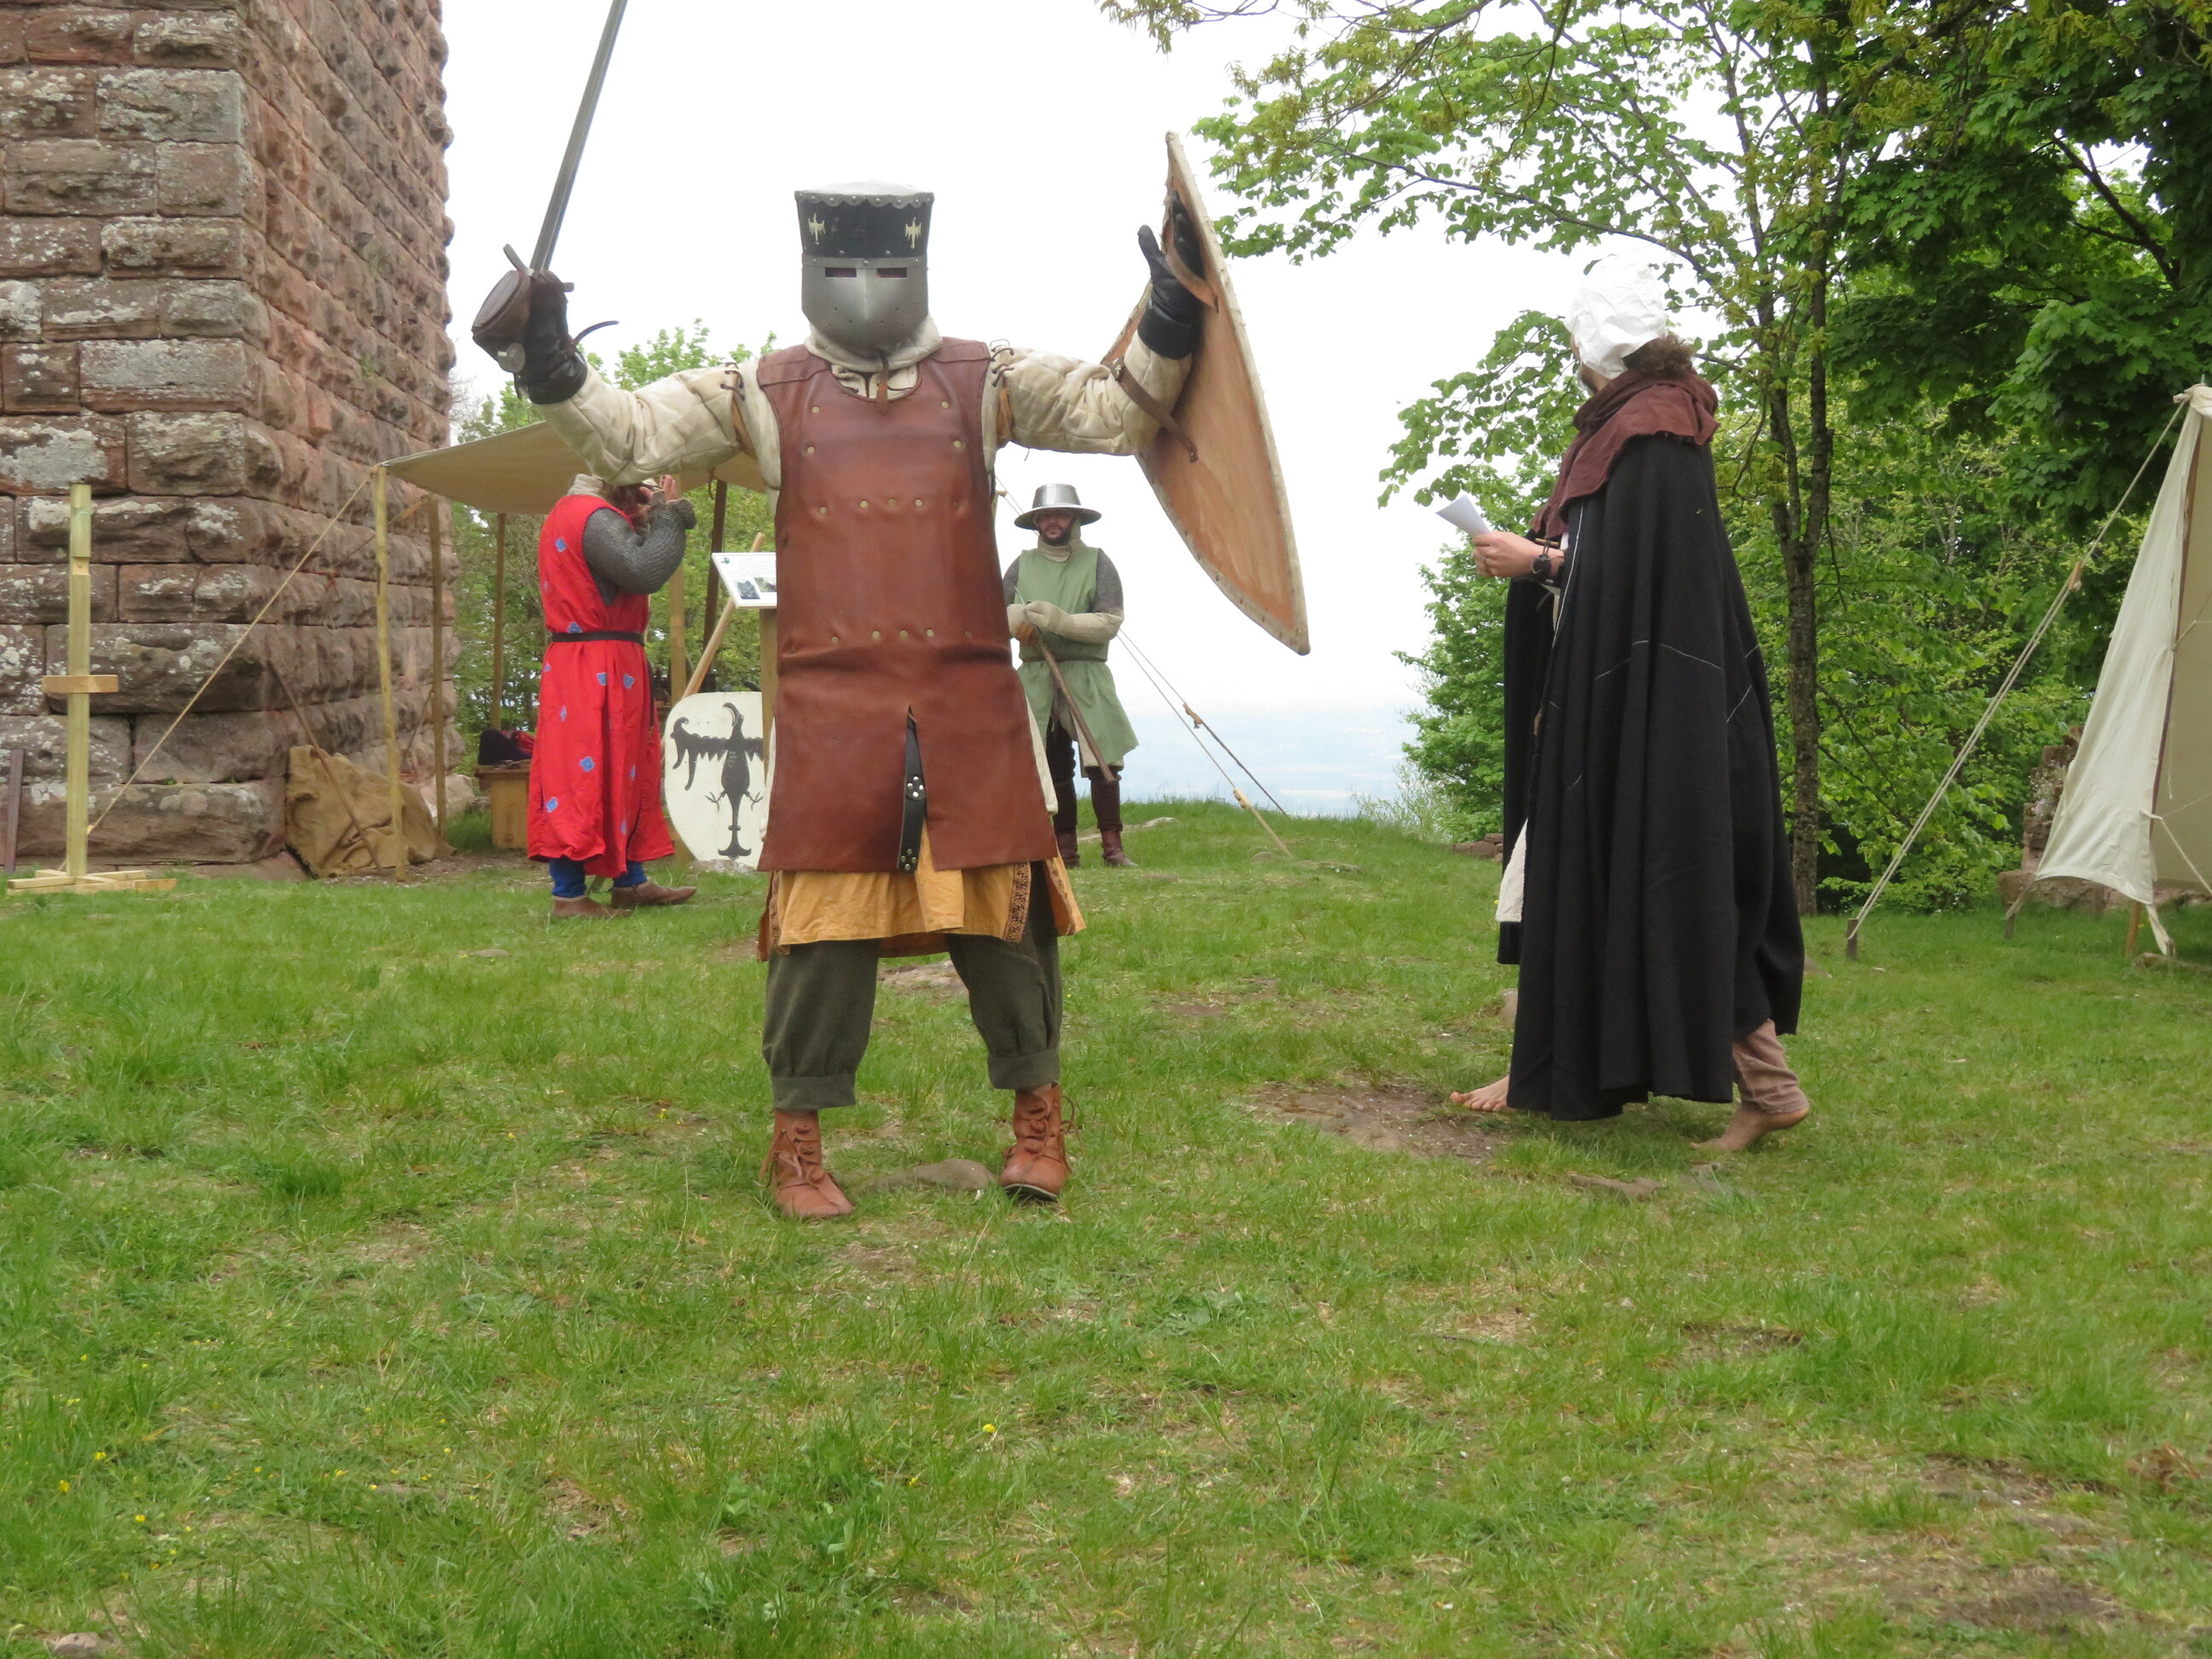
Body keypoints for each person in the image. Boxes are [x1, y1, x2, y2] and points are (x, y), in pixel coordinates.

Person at [478, 181, 1206, 1214]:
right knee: (819, 935)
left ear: (920, 266)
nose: (867, 286)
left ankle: (1038, 1123)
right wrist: (551, 361)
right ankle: (797, 1146)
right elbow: (628, 439)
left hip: (966, 700)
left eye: (887, 266)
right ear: (812, 268)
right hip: (834, 709)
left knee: (1009, 927)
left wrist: (1169, 313)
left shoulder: (986, 378)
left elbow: (1116, 413)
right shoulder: (763, 390)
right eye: (847, 266)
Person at [1449, 257, 1809, 1152]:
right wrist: (1544, 563)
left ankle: (1770, 1088)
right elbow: (1622, 567)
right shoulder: (1634, 424)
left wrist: (1538, 562)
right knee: (1582, 866)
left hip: (1662, 706)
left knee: (1669, 875)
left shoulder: (1653, 430)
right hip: (1621, 695)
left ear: (1598, 344)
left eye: (1578, 337)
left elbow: (1649, 584)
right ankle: (1547, 1064)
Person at [529, 476, 700, 920]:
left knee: (625, 768)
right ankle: (569, 896)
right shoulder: (592, 517)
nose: (644, 495)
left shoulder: (580, 514)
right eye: (639, 489)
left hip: (605, 659)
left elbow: (628, 569)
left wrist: (652, 521)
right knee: (581, 775)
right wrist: (667, 517)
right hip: (592, 664)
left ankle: (630, 882)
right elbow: (644, 571)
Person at [1004, 484, 1141, 867]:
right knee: (1051, 764)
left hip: (1087, 673)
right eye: (1045, 516)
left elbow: (1110, 621)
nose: (1052, 521)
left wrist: (1062, 622)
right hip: (1036, 675)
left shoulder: (1097, 562)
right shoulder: (1021, 566)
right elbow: (991, 618)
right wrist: (1013, 621)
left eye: (1060, 514)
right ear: (1036, 523)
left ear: (1075, 519)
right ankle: (1065, 850)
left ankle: (1113, 848)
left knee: (1104, 762)